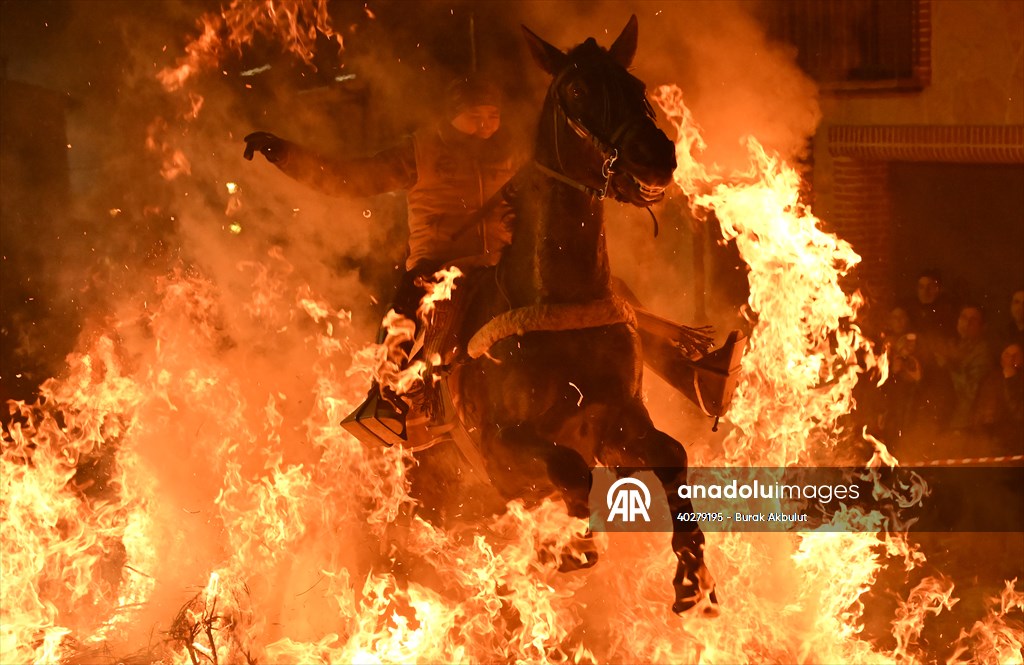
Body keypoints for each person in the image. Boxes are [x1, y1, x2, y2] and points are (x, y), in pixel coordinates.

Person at [244, 75, 522, 444]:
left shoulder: (513, 153)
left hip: (502, 262)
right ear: (453, 115)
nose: (486, 125)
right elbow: (349, 178)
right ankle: (385, 396)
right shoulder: (420, 151)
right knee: (402, 315)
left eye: (493, 116)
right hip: (438, 267)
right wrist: (285, 154)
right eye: (475, 116)